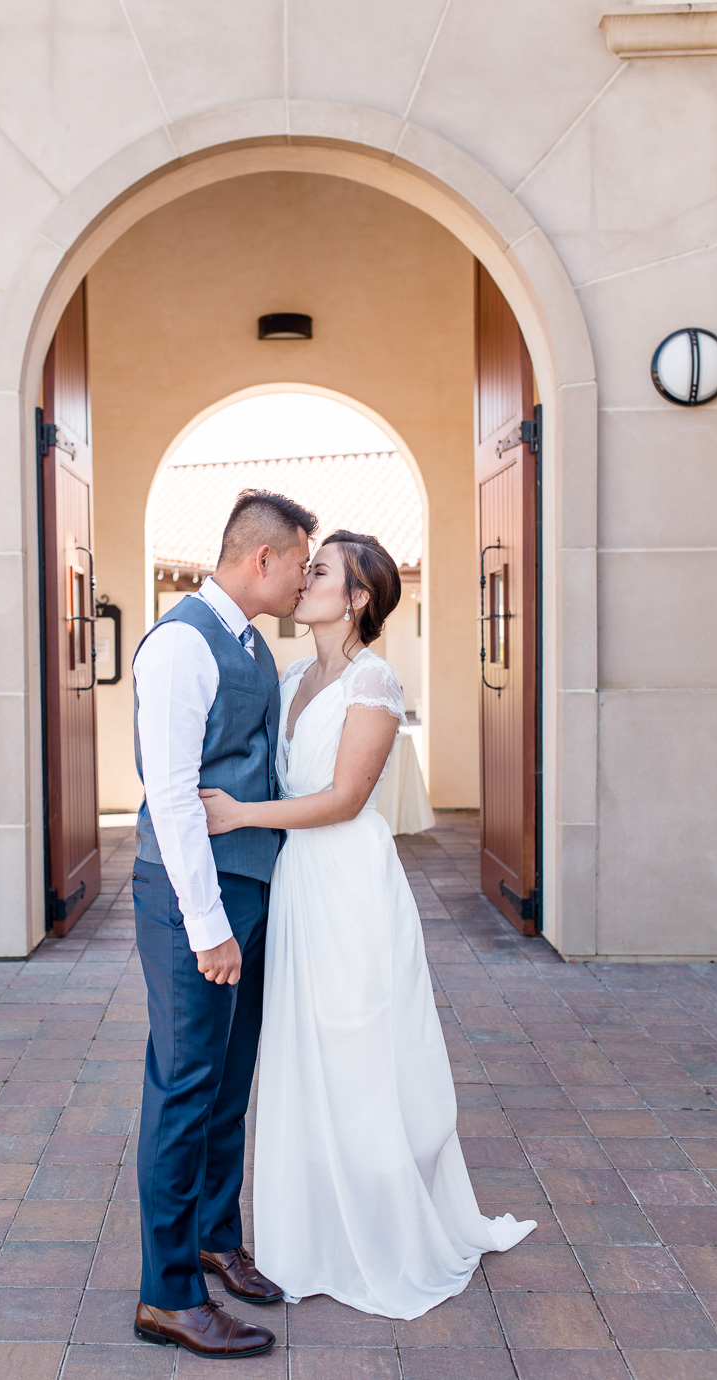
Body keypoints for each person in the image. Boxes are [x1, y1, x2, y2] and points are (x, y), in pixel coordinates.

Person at [201, 530, 536, 1320]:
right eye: (307, 569)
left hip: (348, 879)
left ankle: (379, 1234)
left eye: (320, 573)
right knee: (302, 1050)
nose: (303, 579)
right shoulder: (288, 677)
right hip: (297, 886)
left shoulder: (373, 682)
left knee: (358, 1052)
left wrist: (240, 815)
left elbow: (347, 798)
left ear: (356, 599)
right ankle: (311, 1234)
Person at [131, 488, 318, 1359]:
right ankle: (168, 1294)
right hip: (187, 898)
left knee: (227, 1080)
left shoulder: (248, 643)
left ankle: (213, 1235)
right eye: (301, 562)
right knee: (183, 1085)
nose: (304, 578)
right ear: (262, 560)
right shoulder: (180, 645)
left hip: (243, 891)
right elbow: (171, 795)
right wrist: (207, 923)